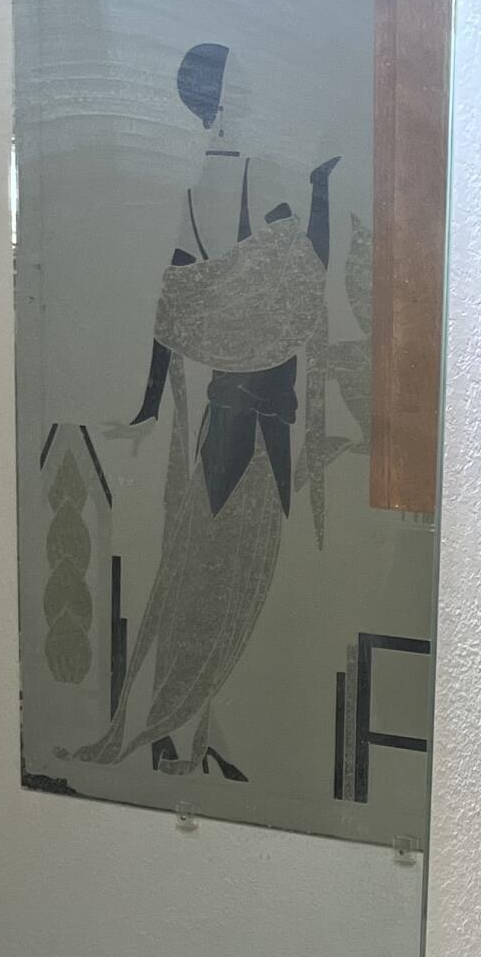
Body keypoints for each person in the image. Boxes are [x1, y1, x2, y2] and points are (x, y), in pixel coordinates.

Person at [71, 42, 342, 780]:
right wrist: (319, 190)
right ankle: (176, 727)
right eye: (241, 86)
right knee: (218, 569)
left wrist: (151, 405)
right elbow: (302, 274)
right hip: (248, 415)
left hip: (249, 409)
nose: (254, 96)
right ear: (220, 102)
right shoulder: (249, 181)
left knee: (226, 572)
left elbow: (181, 306)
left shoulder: (202, 190)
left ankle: (193, 728)